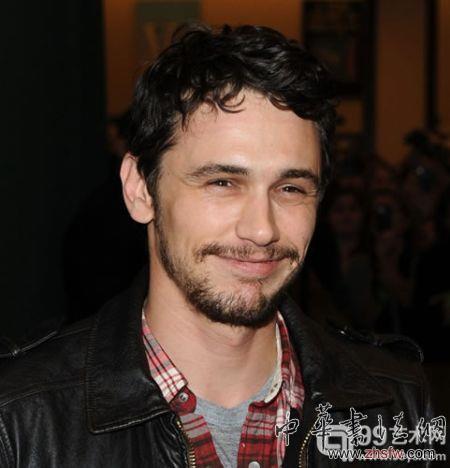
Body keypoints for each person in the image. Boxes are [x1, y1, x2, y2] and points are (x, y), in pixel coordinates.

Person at [0, 24, 435, 467]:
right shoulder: (19, 421)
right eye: (222, 182)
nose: (262, 230)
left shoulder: (397, 404)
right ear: (140, 189)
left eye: (290, 188)